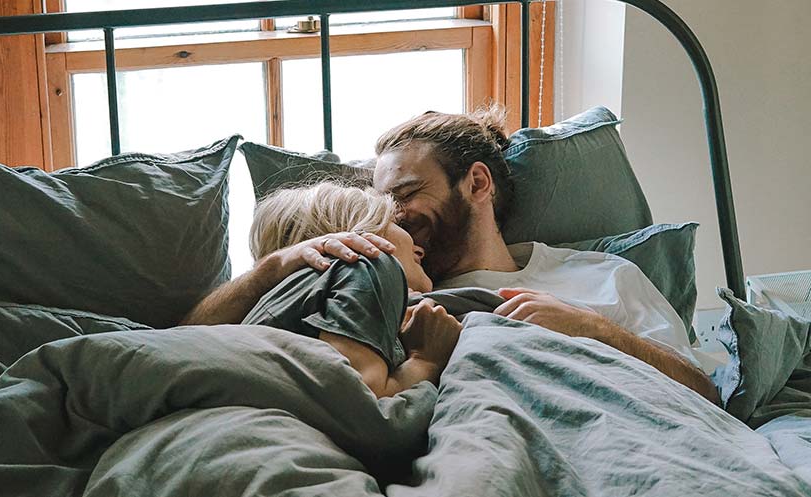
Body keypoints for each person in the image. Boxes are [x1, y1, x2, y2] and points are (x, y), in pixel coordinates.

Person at [371, 107, 720, 405]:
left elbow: (705, 393)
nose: (393, 216)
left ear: (477, 183)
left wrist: (591, 328)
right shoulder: (393, 291)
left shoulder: (603, 275)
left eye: (406, 194)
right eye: (383, 205)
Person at [182, 182, 461, 399]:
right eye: (396, 225)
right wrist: (427, 361)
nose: (419, 247)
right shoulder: (365, 267)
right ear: (357, 233)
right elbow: (365, 405)